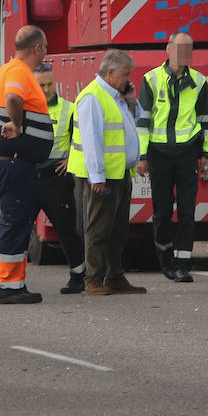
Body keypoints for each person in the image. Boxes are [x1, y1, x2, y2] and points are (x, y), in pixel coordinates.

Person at [0, 25, 54, 305]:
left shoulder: (7, 69)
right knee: (15, 221)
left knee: (16, 221)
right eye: (45, 47)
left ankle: (2, 278)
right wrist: (16, 124)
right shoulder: (19, 72)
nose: (45, 52)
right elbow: (12, 98)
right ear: (36, 48)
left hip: (12, 161)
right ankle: (8, 287)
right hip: (14, 163)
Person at [137, 32, 208, 283]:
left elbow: (206, 121)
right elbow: (143, 121)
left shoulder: (199, 82)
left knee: (188, 211)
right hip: (159, 154)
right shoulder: (151, 79)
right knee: (162, 211)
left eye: (188, 48)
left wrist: (205, 154)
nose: (183, 53)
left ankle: (183, 263)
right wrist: (143, 156)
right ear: (168, 49)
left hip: (187, 153)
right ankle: (166, 260)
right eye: (179, 47)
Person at [76, 48, 147, 296]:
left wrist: (131, 99)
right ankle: (93, 279)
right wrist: (97, 176)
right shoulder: (93, 97)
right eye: (125, 74)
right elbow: (91, 140)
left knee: (118, 229)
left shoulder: (116, 96)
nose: (129, 79)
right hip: (103, 177)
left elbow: (134, 120)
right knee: (99, 228)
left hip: (119, 173)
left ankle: (115, 276)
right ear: (110, 72)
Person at [34, 65, 86, 295]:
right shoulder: (24, 108)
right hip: (29, 176)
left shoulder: (69, 108)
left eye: (48, 84)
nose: (45, 89)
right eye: (40, 85)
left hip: (56, 178)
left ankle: (78, 276)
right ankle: (4, 277)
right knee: (16, 227)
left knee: (67, 229)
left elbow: (81, 138)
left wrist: (70, 160)